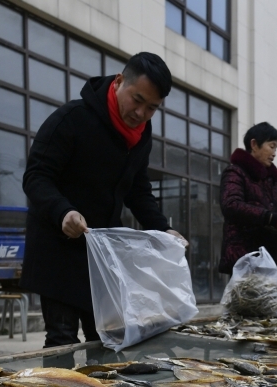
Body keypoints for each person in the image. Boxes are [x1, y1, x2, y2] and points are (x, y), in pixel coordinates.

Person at [21, 52, 187, 347]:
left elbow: (137, 189)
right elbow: (36, 176)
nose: (140, 113)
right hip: (58, 249)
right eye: (137, 100)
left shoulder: (140, 136)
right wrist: (64, 212)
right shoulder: (72, 119)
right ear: (119, 81)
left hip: (101, 256)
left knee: (109, 337)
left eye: (151, 108)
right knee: (62, 339)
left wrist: (163, 229)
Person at [218, 122, 277, 278]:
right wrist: (271, 218)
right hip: (244, 260)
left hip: (269, 261)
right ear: (254, 144)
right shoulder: (235, 172)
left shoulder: (271, 180)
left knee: (272, 303)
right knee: (245, 302)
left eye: (276, 148)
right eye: (272, 146)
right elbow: (231, 205)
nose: (274, 153)